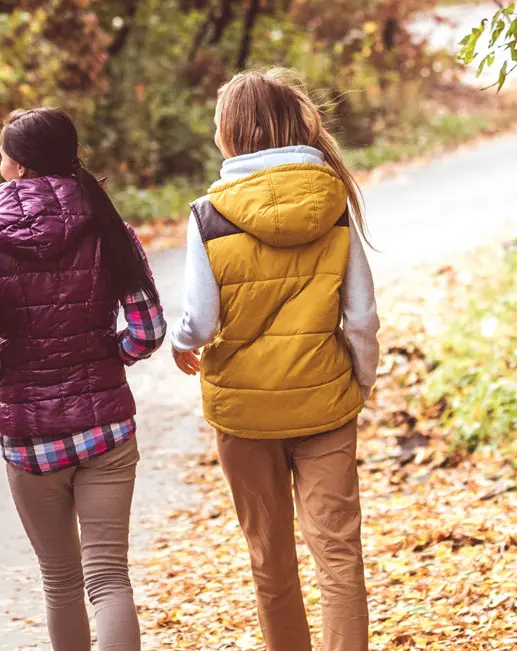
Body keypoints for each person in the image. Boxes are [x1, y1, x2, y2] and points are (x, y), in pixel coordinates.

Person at [168, 67, 381, 651]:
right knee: (339, 555)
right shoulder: (333, 201)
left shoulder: (208, 215)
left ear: (235, 134)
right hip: (325, 404)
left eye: (218, 126)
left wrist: (182, 342)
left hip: (245, 414)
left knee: (270, 559)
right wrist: (357, 384)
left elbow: (201, 321)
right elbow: (360, 317)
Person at [0, 107, 164, 651]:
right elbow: (147, 329)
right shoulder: (108, 225)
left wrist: (11, 374)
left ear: (18, 166)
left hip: (29, 438)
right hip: (107, 432)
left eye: (4, 154)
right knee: (109, 578)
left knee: (61, 581)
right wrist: (108, 357)